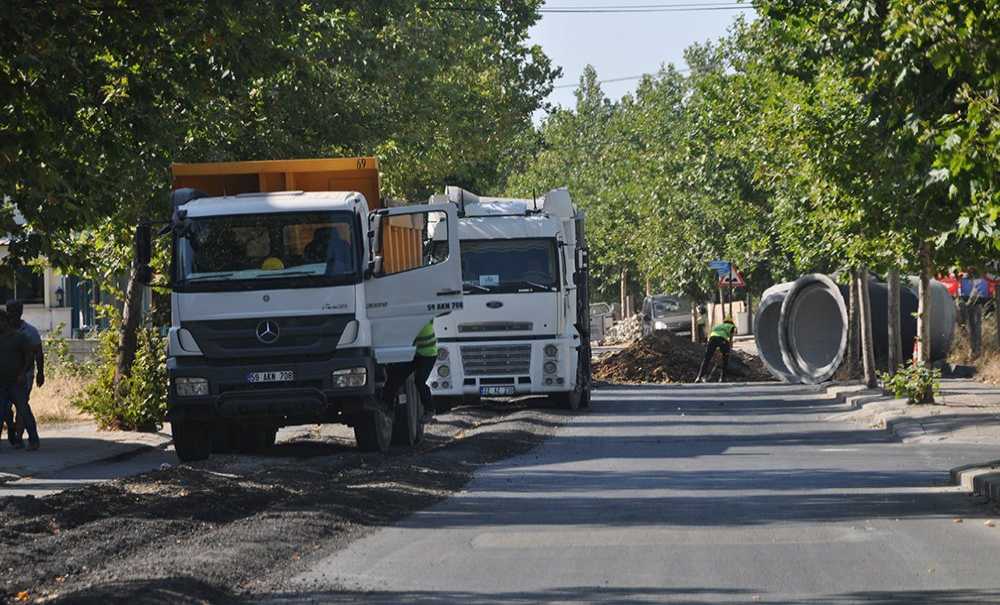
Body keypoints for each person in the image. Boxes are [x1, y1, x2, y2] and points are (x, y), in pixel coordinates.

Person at [3, 300, 44, 449]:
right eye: (9, 311)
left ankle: (23, 438)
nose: (12, 314)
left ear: (20, 312)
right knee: (4, 409)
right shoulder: (3, 333)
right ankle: (12, 429)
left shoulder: (27, 333)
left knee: (22, 408)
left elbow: (35, 355)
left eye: (15, 311)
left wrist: (39, 373)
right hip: (3, 378)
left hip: (20, 378)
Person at [382, 320, 438, 423]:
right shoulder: (410, 322)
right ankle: (387, 407)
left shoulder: (417, 321)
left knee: (420, 381)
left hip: (429, 356)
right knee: (396, 377)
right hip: (415, 355)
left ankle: (429, 410)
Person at [695, 317, 737, 383]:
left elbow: (713, 335)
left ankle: (699, 377)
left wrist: (716, 350)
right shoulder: (731, 326)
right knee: (725, 359)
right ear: (731, 322)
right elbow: (730, 339)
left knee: (707, 359)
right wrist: (728, 349)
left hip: (712, 339)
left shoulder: (718, 326)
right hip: (722, 340)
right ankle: (722, 378)